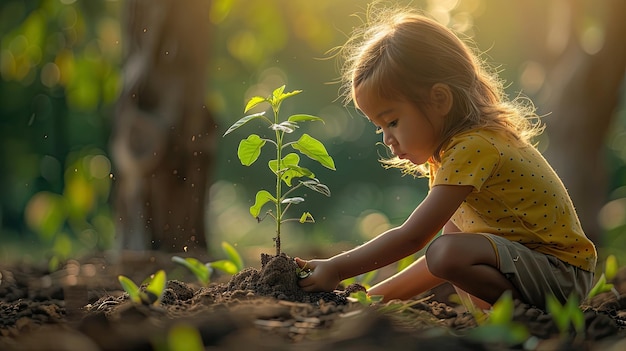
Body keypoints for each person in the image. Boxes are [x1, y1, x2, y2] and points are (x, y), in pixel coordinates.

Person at [295, 7, 597, 310]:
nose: (387, 138)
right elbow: (432, 263)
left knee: (447, 252)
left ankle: (529, 319)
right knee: (448, 251)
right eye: (380, 127)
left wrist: (337, 268)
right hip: (545, 271)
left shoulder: (473, 147)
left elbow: (414, 238)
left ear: (439, 100)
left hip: (560, 274)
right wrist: (367, 300)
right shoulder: (454, 155)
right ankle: (511, 320)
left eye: (393, 122)